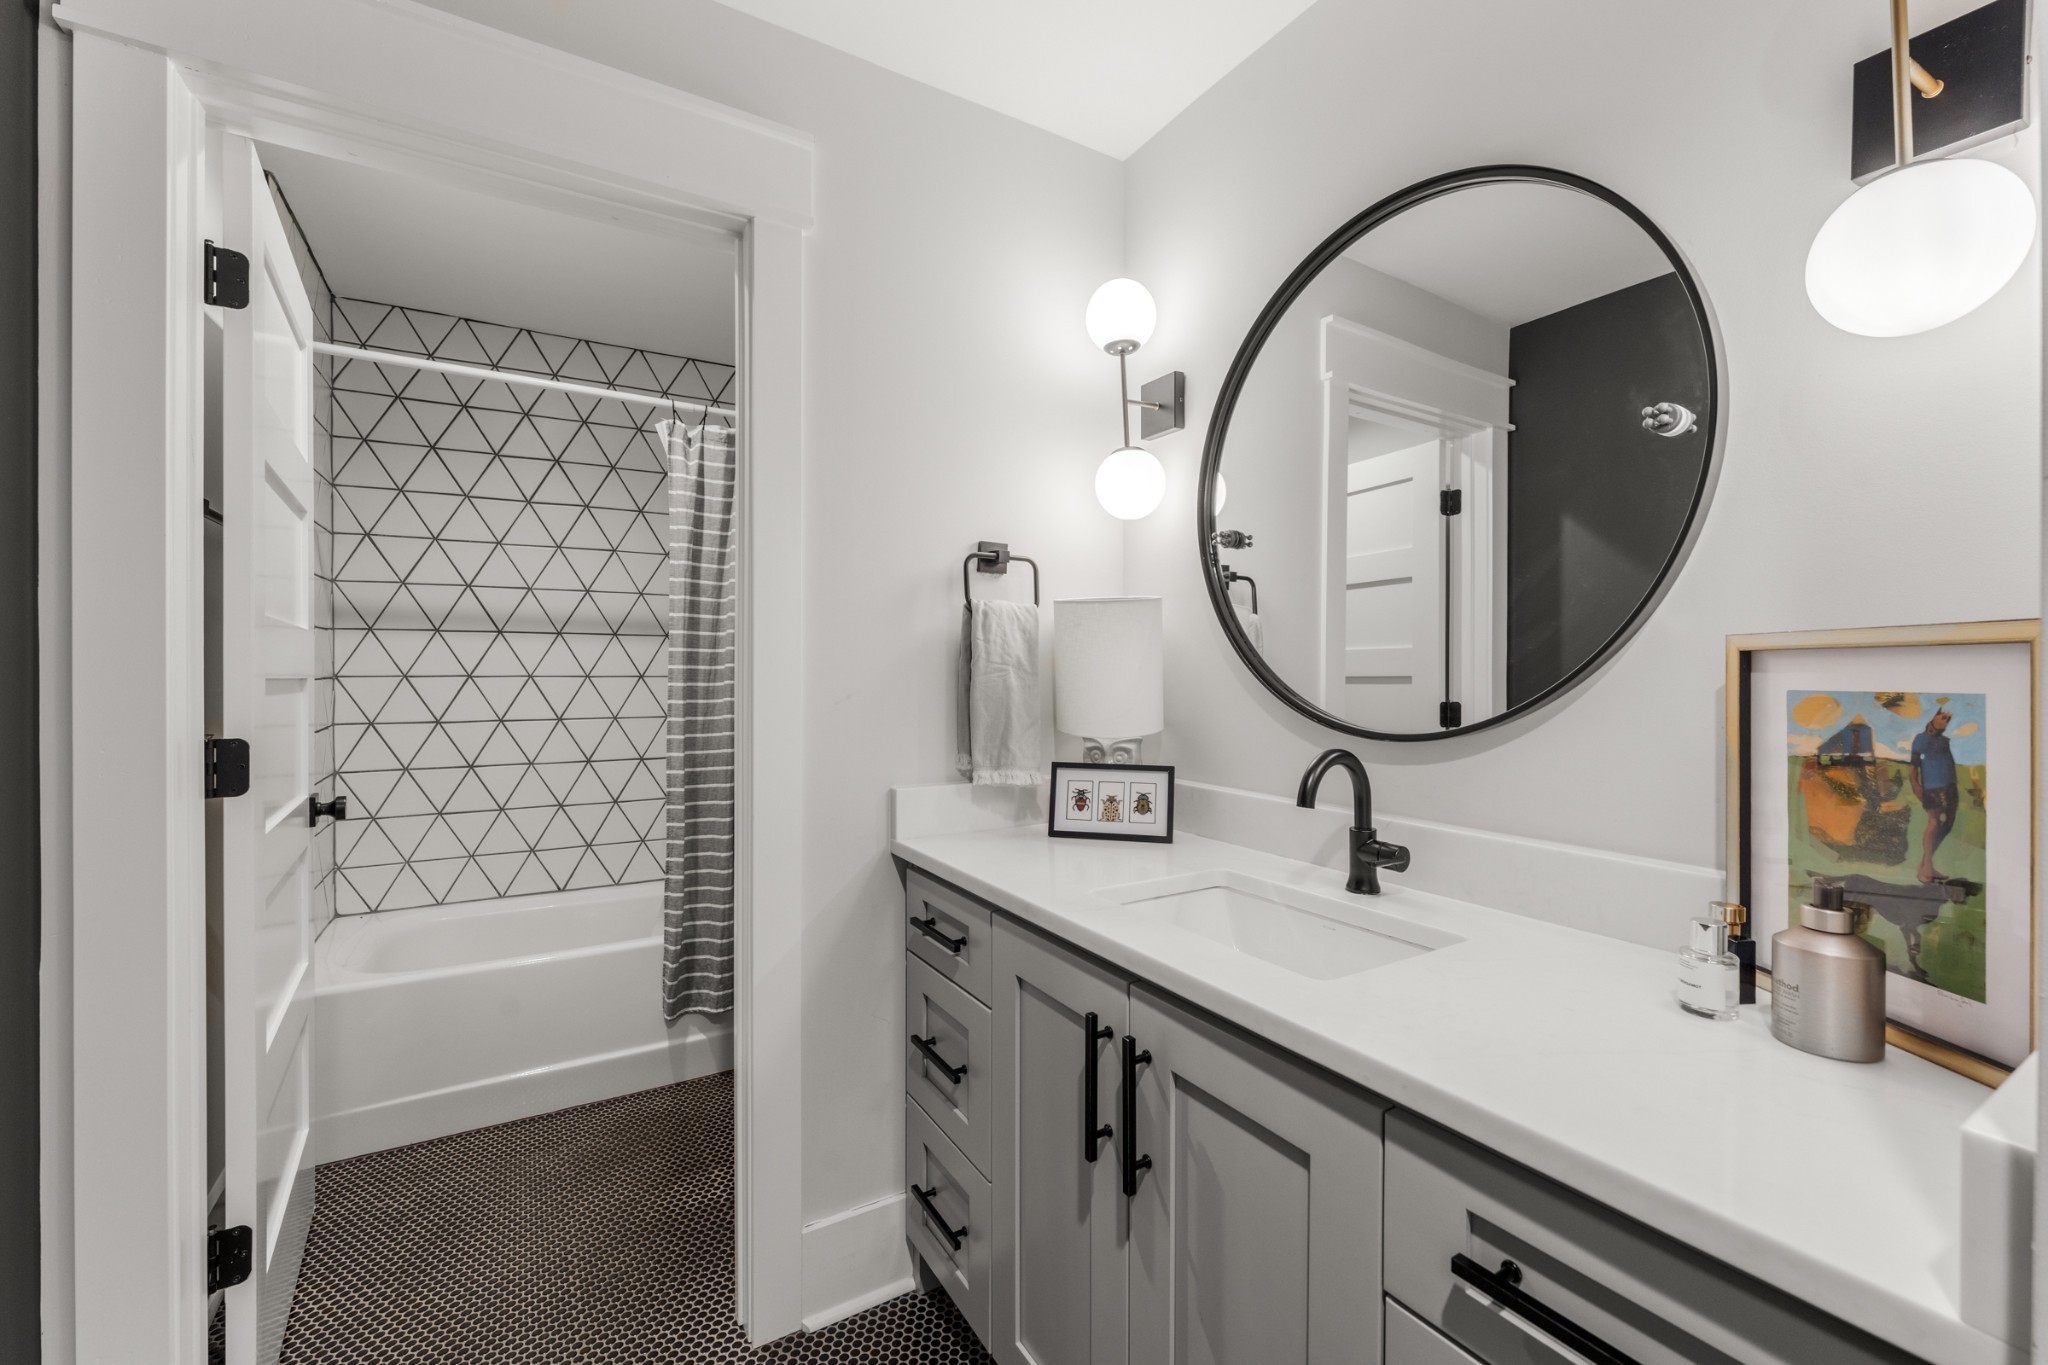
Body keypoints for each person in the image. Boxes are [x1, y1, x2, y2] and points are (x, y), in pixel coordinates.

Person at [1910, 707, 1960, 884]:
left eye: (1946, 721)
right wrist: (1916, 785)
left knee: (1947, 825)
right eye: (1942, 720)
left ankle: (1924, 865)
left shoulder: (1944, 741)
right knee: (1934, 822)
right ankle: (1927, 867)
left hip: (1950, 786)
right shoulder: (1920, 739)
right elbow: (1913, 767)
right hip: (1932, 787)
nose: (1945, 723)